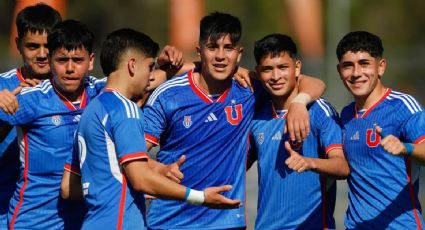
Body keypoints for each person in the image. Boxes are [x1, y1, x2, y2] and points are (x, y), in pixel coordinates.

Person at [143, 12, 325, 229]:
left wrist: (299, 103)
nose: (221, 56)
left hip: (227, 221)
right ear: (199, 51)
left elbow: (314, 82)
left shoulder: (251, 89)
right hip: (170, 221)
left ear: (239, 54)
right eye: (212, 47)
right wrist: (159, 169)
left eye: (228, 48)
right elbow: (131, 155)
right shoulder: (168, 95)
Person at [62, 28, 242, 229]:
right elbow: (140, 179)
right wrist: (200, 196)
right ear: (132, 65)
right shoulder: (125, 109)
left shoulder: (91, 109)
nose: (151, 76)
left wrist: (155, 172)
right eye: (149, 67)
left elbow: (69, 187)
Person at [248, 33, 349, 230]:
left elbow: (343, 167)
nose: (276, 76)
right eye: (268, 69)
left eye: (283, 67)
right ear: (258, 72)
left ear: (297, 67)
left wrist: (310, 162)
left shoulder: (319, 111)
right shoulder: (257, 116)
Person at [337, 31, 425, 229]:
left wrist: (405, 148)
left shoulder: (403, 106)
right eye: (348, 65)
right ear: (339, 70)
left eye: (364, 63)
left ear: (381, 67)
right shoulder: (346, 115)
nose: (356, 73)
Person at [0, 3, 61, 229]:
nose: (43, 54)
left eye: (48, 45)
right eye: (33, 46)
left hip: (60, 216)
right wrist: (10, 115)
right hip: (5, 212)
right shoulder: (3, 87)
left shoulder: (73, 88)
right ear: (18, 45)